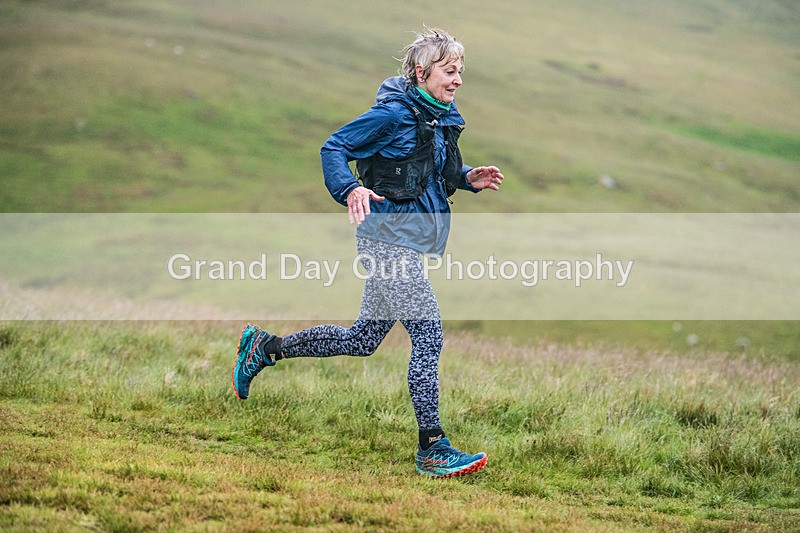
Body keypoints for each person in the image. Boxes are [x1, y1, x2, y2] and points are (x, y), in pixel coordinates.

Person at [232, 27, 504, 478]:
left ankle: (264, 347)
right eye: (449, 71)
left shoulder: (439, 117)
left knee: (362, 339)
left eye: (460, 72)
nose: (457, 81)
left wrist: (467, 177)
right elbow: (334, 147)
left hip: (408, 242)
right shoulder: (392, 115)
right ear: (422, 71)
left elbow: (430, 168)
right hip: (385, 240)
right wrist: (350, 187)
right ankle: (433, 448)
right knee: (429, 333)